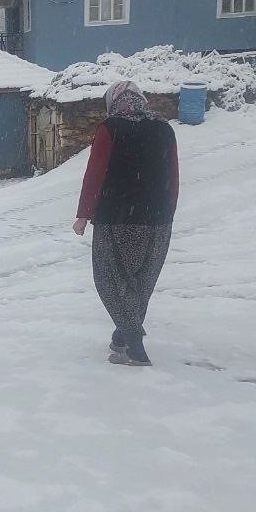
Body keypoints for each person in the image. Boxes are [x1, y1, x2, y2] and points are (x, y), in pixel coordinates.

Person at [72, 81, 179, 366]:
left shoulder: (111, 128)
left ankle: (134, 346)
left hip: (116, 219)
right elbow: (174, 176)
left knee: (110, 279)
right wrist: (167, 213)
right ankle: (123, 336)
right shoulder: (164, 129)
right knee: (141, 281)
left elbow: (95, 172)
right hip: (157, 220)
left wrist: (84, 213)